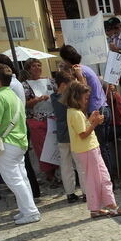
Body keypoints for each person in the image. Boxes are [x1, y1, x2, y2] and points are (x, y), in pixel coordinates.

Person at [63, 80, 121, 219]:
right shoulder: (75, 113)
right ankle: (110, 206)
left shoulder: (74, 112)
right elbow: (83, 134)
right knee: (100, 178)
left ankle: (98, 208)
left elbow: (81, 129)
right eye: (86, 98)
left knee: (97, 178)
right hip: (88, 149)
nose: (87, 101)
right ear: (77, 97)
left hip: (88, 149)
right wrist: (94, 123)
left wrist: (91, 119)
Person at [0, 64, 40, 225]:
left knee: (14, 179)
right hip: (18, 140)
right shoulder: (12, 94)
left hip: (6, 142)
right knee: (21, 177)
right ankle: (26, 209)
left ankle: (30, 212)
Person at [59, 44, 116, 181]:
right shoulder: (85, 68)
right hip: (103, 107)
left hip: (96, 110)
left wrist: (83, 115)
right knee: (104, 148)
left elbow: (84, 92)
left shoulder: (79, 71)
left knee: (101, 149)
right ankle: (108, 180)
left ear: (66, 60)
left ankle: (107, 181)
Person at [0, 53, 41, 200]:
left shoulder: (6, 90)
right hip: (18, 127)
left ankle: (29, 201)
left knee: (18, 173)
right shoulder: (15, 83)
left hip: (12, 131)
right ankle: (31, 196)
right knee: (23, 168)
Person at [22, 58, 59, 186]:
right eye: (33, 66)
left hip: (53, 118)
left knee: (55, 145)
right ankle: (50, 175)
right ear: (28, 69)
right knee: (43, 148)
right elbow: (24, 104)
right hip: (37, 120)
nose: (37, 68)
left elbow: (59, 94)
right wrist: (37, 100)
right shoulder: (25, 85)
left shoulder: (50, 80)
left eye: (39, 65)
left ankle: (57, 171)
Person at [50, 69, 83, 203]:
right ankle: (85, 191)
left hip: (62, 134)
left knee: (66, 165)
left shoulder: (53, 97)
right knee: (80, 164)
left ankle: (70, 193)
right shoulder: (68, 99)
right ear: (63, 85)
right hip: (73, 134)